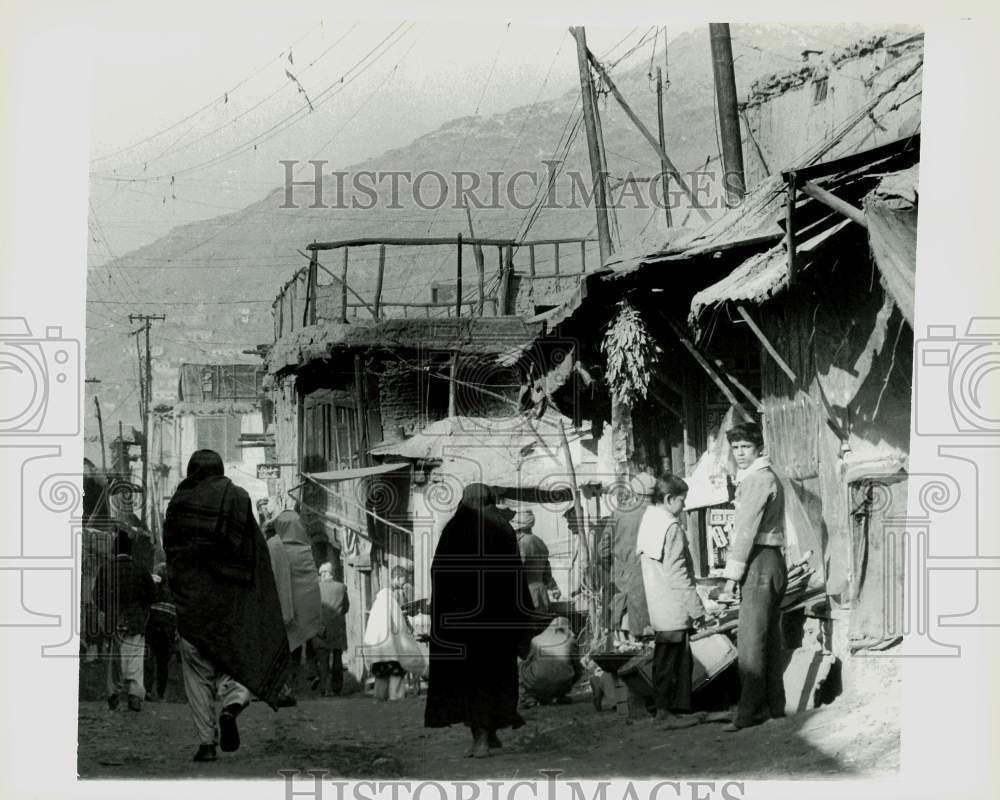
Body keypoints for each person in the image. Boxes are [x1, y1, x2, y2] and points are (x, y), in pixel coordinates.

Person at [164, 450, 290, 762]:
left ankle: (207, 744)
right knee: (235, 662)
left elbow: (171, 553)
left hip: (193, 607)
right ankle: (233, 706)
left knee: (197, 677)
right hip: (230, 607)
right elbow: (253, 551)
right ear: (220, 469)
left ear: (192, 471)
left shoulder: (179, 503)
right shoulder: (238, 497)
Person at [424, 483, 545, 758]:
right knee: (497, 678)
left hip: (463, 625)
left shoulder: (454, 530)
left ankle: (480, 739)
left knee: (472, 682)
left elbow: (439, 574)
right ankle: (489, 735)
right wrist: (520, 619)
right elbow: (515, 577)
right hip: (498, 624)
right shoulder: (502, 529)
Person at [721, 421, 787, 732]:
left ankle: (749, 713)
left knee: (750, 642)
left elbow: (745, 532)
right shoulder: (762, 477)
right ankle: (774, 707)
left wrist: (731, 577)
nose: (740, 454)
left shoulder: (758, 480)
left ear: (758, 447)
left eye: (746, 447)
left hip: (759, 560)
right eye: (735, 448)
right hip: (769, 560)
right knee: (769, 639)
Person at [636, 475, 706, 729]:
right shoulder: (671, 527)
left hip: (657, 602)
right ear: (668, 499)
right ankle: (669, 712)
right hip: (673, 604)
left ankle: (665, 710)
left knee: (664, 660)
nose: (684, 506)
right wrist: (696, 608)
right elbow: (678, 574)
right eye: (681, 501)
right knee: (675, 661)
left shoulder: (649, 520)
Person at [93, 528, 155, 712]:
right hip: (135, 619)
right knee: (135, 658)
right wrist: (141, 607)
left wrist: (108, 609)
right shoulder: (140, 569)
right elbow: (152, 594)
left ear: (114, 549)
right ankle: (135, 693)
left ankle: (113, 692)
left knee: (115, 659)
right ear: (130, 550)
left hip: (114, 619)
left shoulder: (106, 569)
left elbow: (97, 595)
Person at [267, 506, 323, 706]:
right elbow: (311, 585)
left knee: (282, 655)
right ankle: (289, 688)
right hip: (300, 617)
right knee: (294, 653)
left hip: (279, 611)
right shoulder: (307, 550)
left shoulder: (272, 547)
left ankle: (284, 689)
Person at [598, 472, 657, 638]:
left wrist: (611, 566)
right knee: (645, 633)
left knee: (621, 635)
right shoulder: (661, 515)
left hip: (622, 575)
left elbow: (602, 549)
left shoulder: (619, 514)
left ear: (635, 492)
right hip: (651, 579)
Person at [518, 616, 583, 708]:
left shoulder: (536, 640)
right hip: (563, 684)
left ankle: (527, 698)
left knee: (520, 666)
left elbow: (529, 661)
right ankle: (559, 694)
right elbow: (577, 667)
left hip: (537, 682)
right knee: (572, 669)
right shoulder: (571, 641)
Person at [511, 508, 560, 615]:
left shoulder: (521, 544)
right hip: (541, 596)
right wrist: (554, 588)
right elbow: (547, 575)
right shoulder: (540, 542)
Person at [313, 562, 349, 697]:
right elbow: (346, 608)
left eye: (322, 574)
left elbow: (312, 607)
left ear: (325, 574)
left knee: (323, 660)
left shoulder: (316, 588)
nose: (321, 576)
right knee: (337, 659)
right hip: (336, 629)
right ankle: (337, 688)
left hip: (321, 629)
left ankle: (323, 688)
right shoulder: (341, 588)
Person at [144, 562, 178, 702]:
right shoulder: (175, 591)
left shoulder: (155, 588)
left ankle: (147, 690)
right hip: (168, 629)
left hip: (153, 626)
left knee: (149, 660)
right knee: (163, 664)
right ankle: (161, 693)